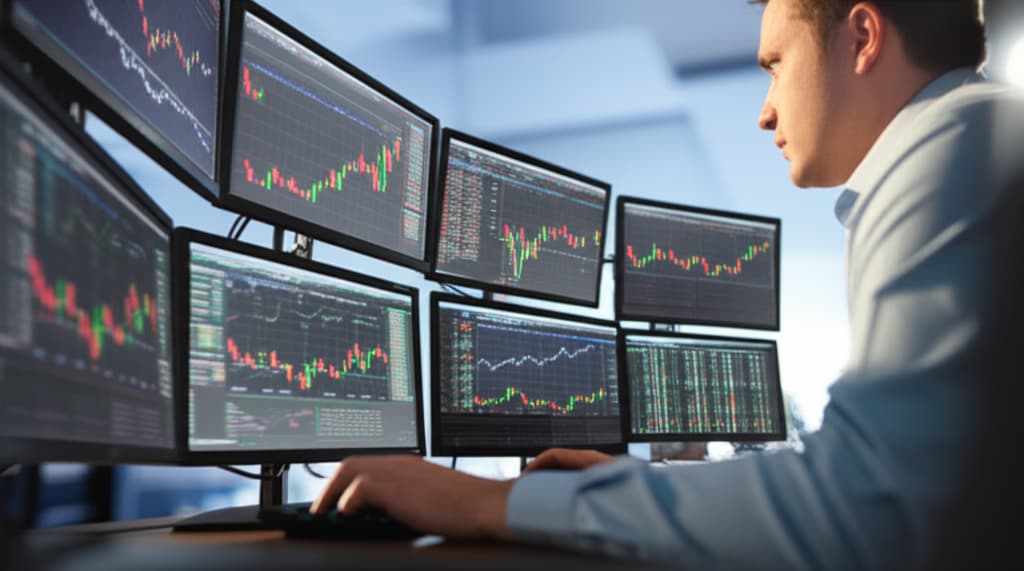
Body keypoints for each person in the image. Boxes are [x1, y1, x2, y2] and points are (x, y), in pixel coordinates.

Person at [311, 0, 1023, 567]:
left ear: (862, 37)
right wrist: (638, 484)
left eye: (775, 65)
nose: (766, 111)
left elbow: (869, 510)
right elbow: (889, 479)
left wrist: (486, 505)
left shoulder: (951, 154)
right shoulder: (973, 138)